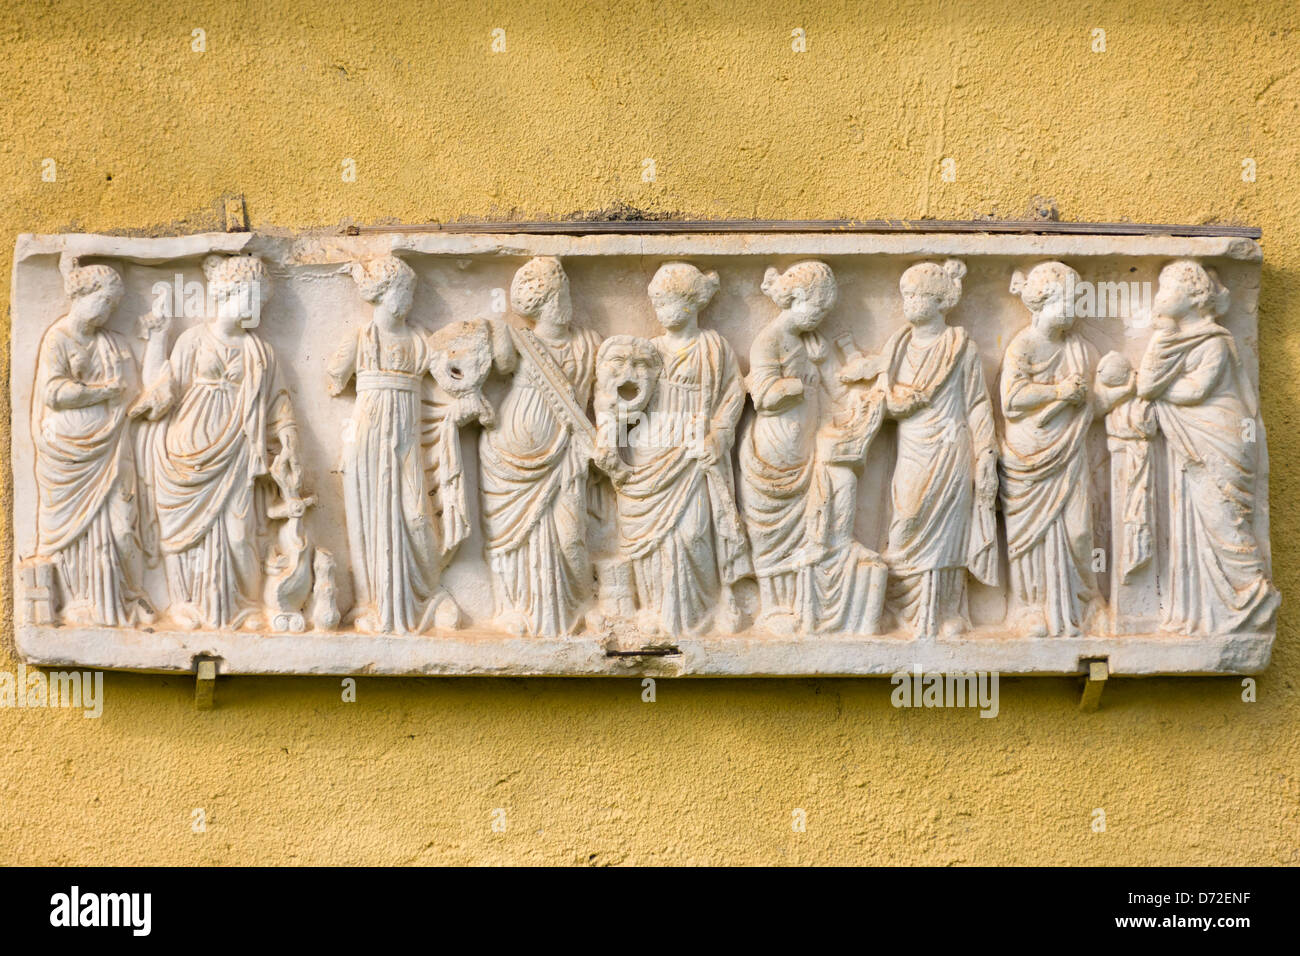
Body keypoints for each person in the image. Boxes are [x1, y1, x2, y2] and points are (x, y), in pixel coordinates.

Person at [1136, 259, 1279, 634]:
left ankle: (1254, 592)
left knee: (1221, 515)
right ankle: (1206, 610)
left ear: (1193, 297)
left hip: (1221, 437)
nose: (1159, 297)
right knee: (1197, 518)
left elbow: (1194, 389)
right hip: (1195, 441)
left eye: (1168, 290)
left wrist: (1160, 391)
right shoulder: (1175, 338)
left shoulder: (1214, 340)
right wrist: (1160, 335)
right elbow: (1146, 383)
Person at [881, 259, 999, 639]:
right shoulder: (897, 345)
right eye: (905, 295)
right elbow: (881, 395)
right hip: (914, 445)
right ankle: (901, 609)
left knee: (950, 529)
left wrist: (986, 456)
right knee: (908, 518)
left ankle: (946, 612)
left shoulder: (960, 346)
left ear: (938, 301)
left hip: (952, 449)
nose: (908, 302)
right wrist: (896, 400)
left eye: (916, 295)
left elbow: (978, 403)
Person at [32, 262, 151, 626]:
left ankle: (131, 597)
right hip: (67, 453)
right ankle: (76, 601)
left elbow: (136, 388)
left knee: (122, 526)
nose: (108, 312)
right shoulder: (58, 337)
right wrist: (101, 393)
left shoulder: (113, 342)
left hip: (113, 448)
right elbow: (53, 392)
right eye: (104, 302)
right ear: (81, 296)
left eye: (114, 305)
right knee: (70, 534)